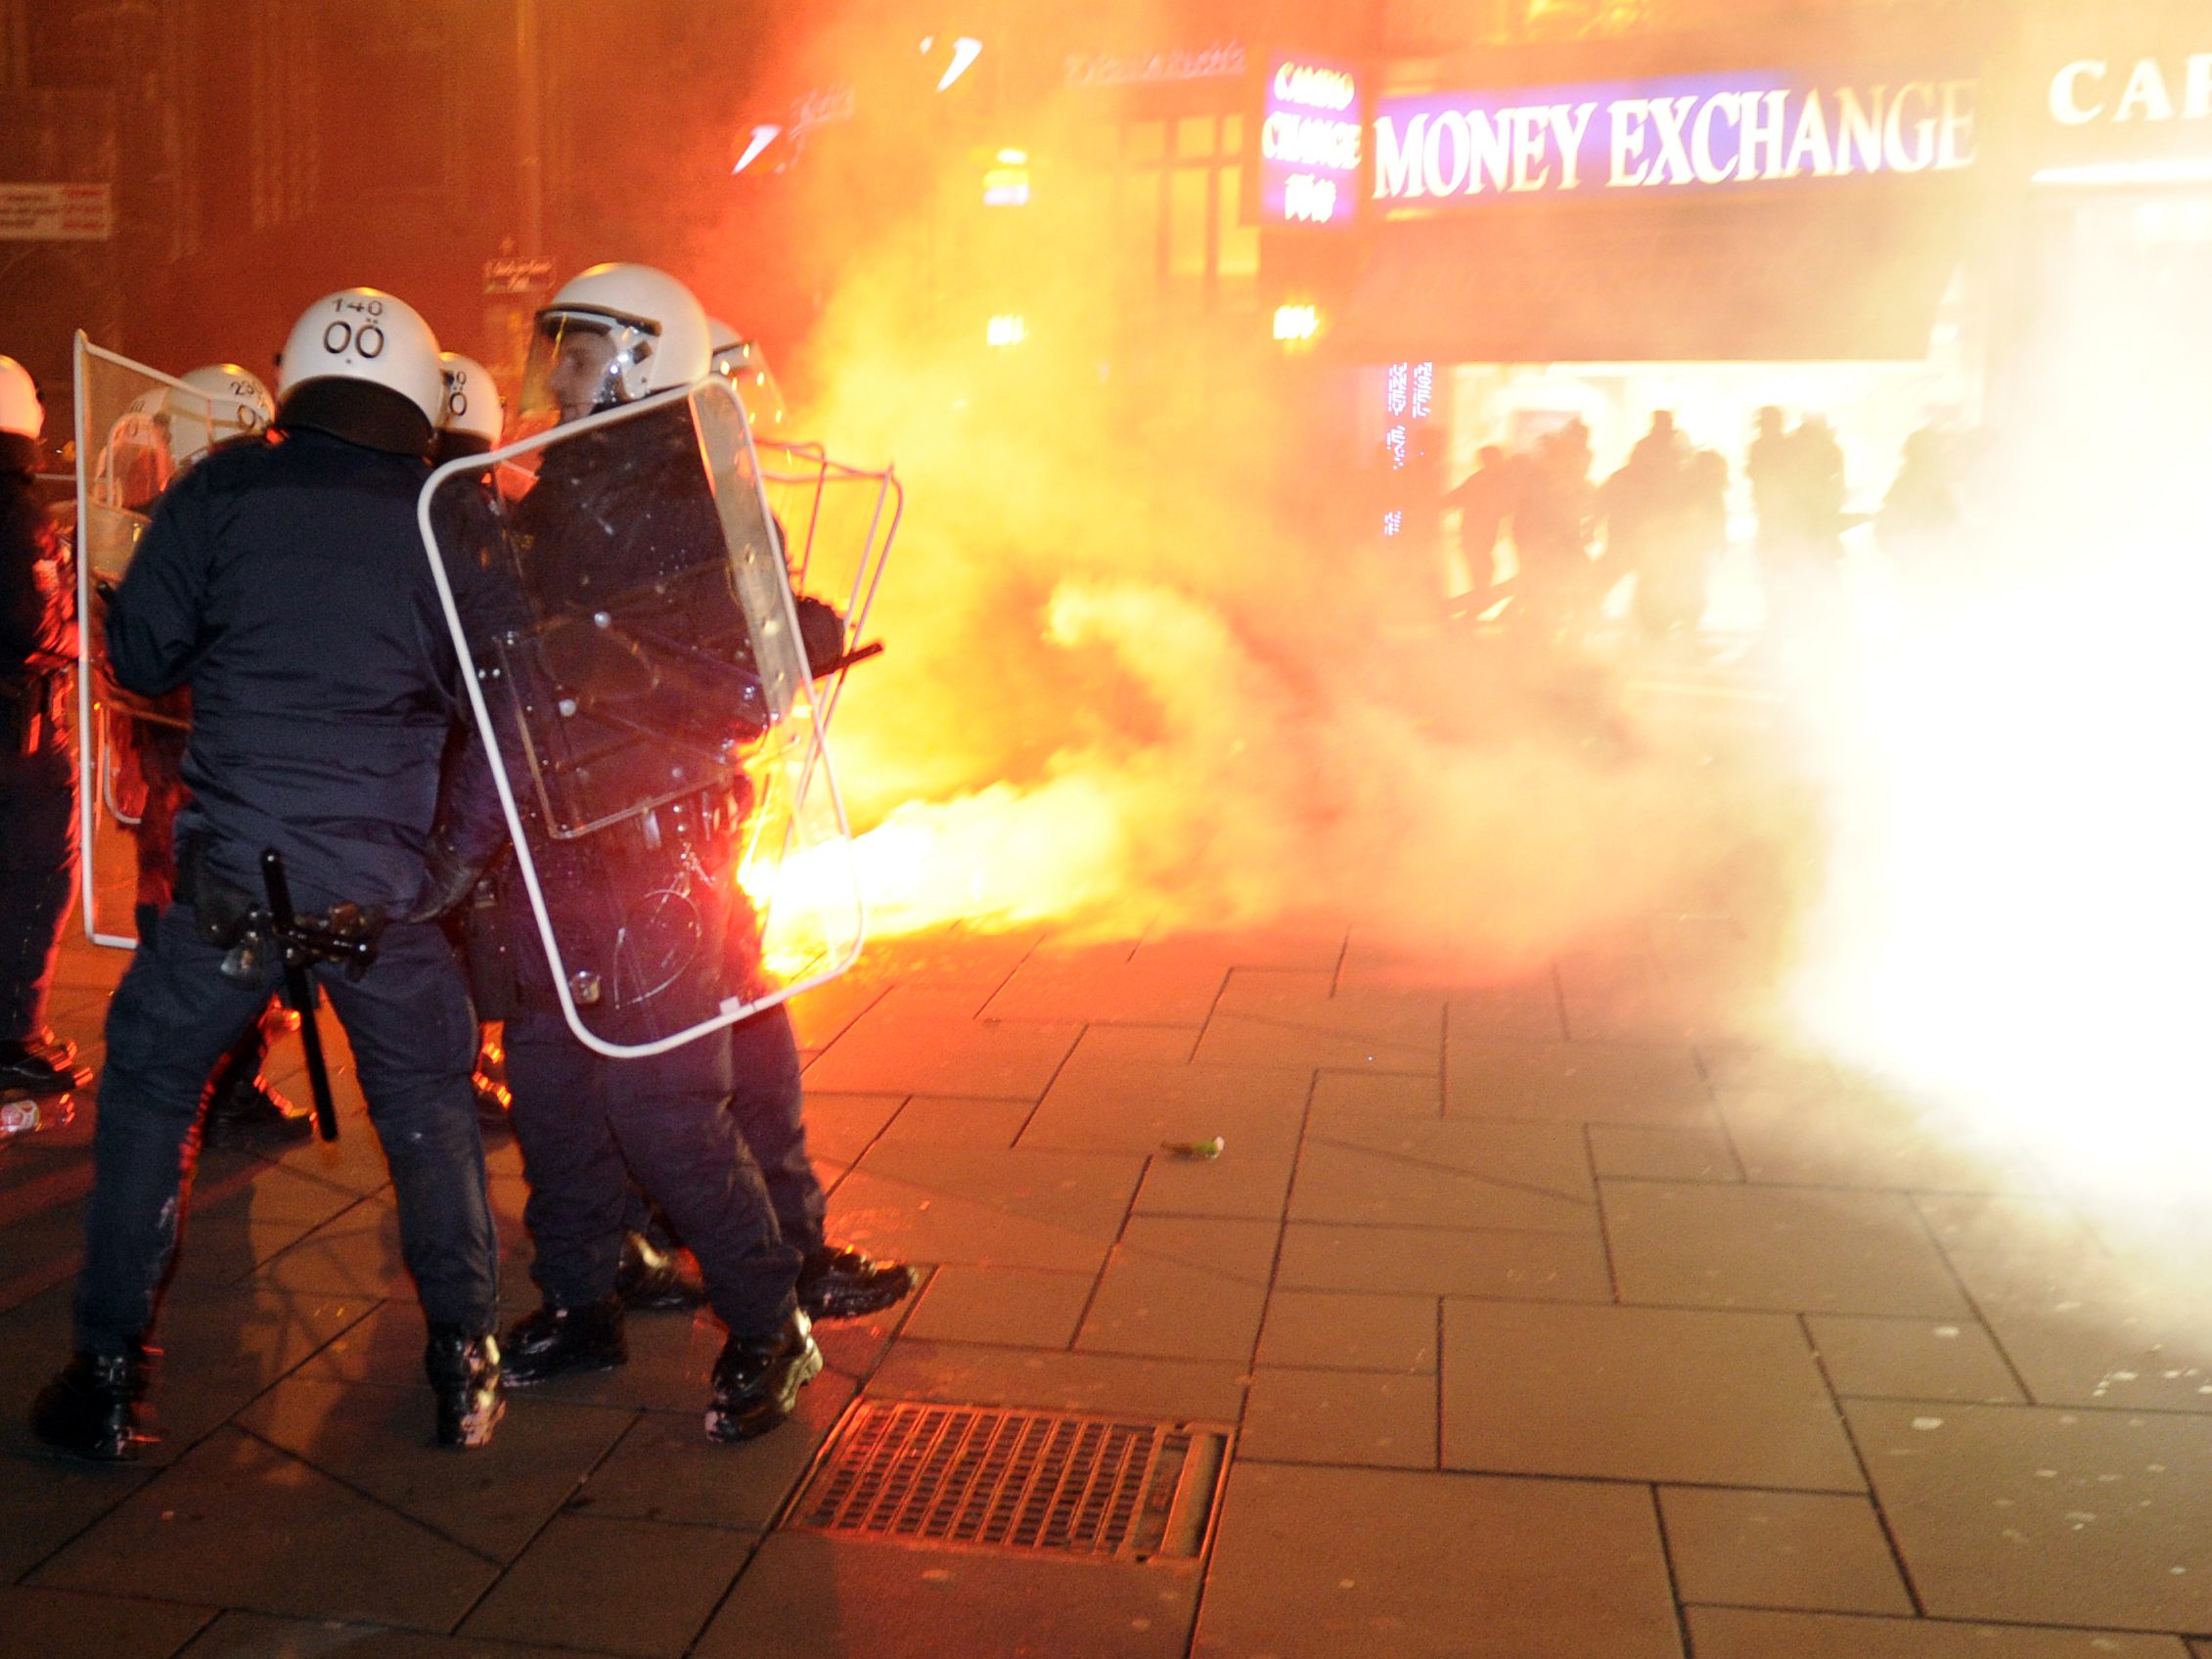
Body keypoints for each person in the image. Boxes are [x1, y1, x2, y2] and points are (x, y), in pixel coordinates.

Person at [30, 289, 505, 1459]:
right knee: (429, 1114)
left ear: (296, 380)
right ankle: (465, 1363)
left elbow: (142, 655)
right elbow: (502, 714)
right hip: (384, 897)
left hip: (232, 883)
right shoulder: (447, 517)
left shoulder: (222, 489)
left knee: (151, 1093)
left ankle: (106, 1374)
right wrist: (449, 864)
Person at [453, 262, 911, 1445]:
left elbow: (739, 667)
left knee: (662, 1100)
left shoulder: (682, 495)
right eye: (556, 346)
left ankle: (768, 1322)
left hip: (652, 844)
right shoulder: (562, 489)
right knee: (552, 1086)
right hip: (556, 843)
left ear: (645, 358)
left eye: (582, 348)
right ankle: (583, 1296)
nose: (559, 370)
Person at [100, 364, 312, 1144]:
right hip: (205, 772)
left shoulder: (185, 524)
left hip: (181, 768)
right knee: (216, 945)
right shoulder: (249, 525)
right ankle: (219, 1088)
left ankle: (204, 1088)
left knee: (188, 943)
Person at [0, 354, 87, 1102]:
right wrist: (83, 630)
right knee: (34, 882)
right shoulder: (19, 510)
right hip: (19, 734)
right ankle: (13, 1034)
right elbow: (31, 621)